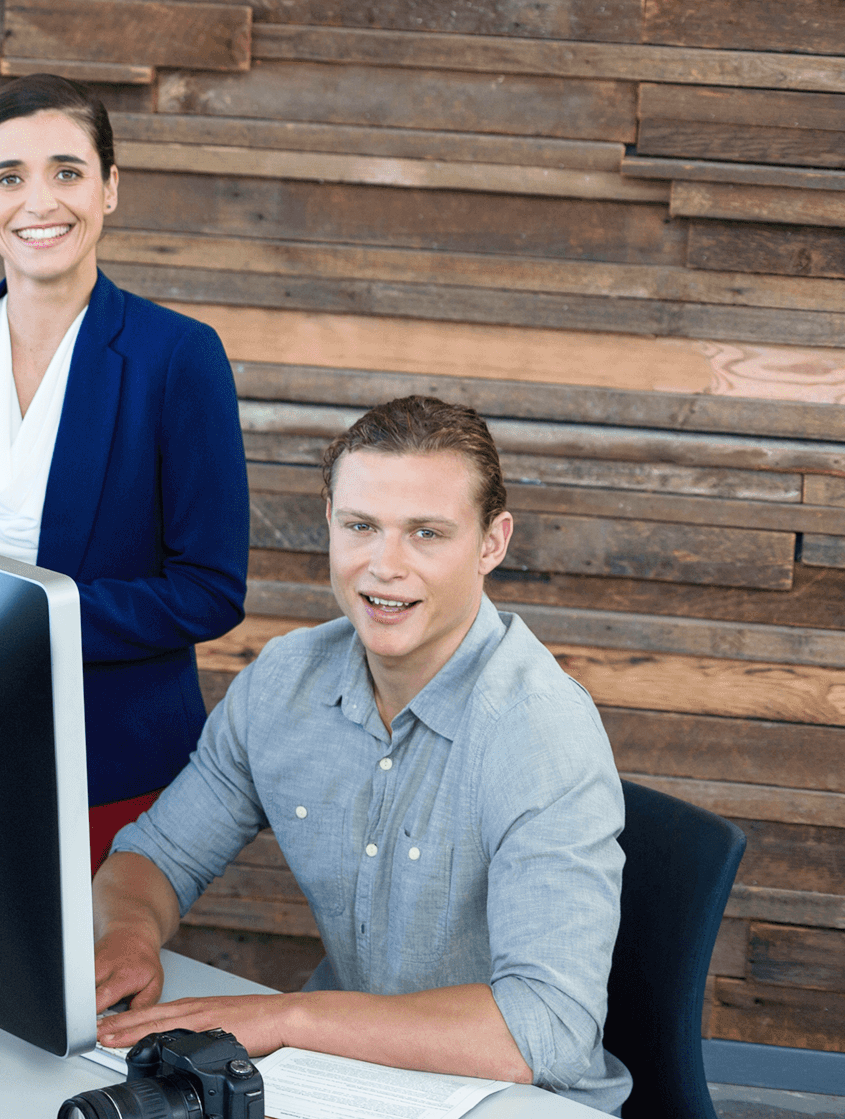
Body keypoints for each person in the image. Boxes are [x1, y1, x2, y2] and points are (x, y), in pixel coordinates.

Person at [94, 396, 628, 1113]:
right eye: (361, 527)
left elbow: (545, 1031)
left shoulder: (540, 732)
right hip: (343, 1079)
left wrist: (288, 1017)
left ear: (491, 544)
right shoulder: (284, 681)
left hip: (513, 1099)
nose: (385, 566)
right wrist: (129, 933)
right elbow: (156, 855)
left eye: (426, 533)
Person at [0, 74, 249, 865]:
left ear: (110, 188)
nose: (39, 202)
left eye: (67, 172)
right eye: (9, 178)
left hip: (108, 766)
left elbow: (212, 590)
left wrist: (30, 623)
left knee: (85, 985)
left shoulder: (177, 358)